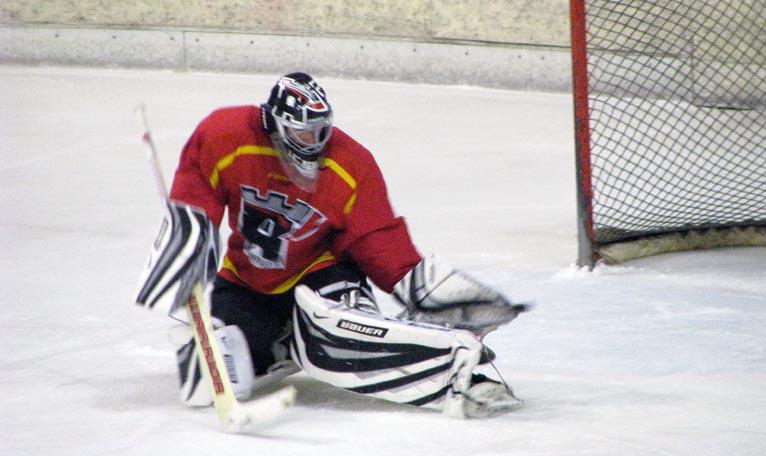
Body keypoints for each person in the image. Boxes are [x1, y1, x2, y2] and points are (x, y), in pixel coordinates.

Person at [143, 72, 524, 418]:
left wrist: (426, 289)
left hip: (323, 272)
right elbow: (196, 201)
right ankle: (282, 343)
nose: (314, 142)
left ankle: (464, 378)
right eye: (303, 133)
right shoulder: (225, 136)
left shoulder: (350, 163)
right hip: (248, 282)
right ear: (274, 123)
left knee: (339, 339)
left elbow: (377, 238)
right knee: (216, 370)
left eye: (320, 131)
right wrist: (185, 252)